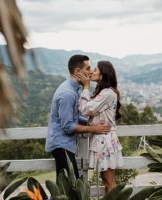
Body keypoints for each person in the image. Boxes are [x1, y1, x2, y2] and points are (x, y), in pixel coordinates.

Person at [45, 55, 110, 180]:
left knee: (66, 188)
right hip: (61, 145)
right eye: (88, 68)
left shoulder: (73, 89)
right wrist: (93, 129)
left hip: (65, 145)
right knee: (71, 186)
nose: (90, 72)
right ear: (78, 72)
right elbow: (68, 126)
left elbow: (75, 116)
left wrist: (92, 123)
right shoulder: (68, 94)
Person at [76, 61, 124, 193]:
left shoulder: (107, 93)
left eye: (95, 70)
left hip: (105, 140)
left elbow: (86, 110)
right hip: (102, 139)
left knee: (109, 182)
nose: (91, 72)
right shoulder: (104, 92)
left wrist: (85, 87)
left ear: (103, 75)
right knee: (106, 181)